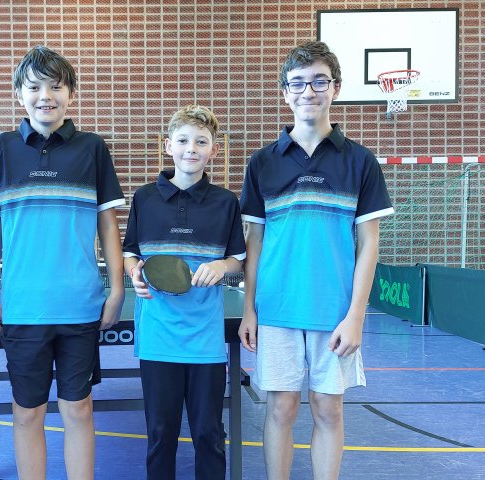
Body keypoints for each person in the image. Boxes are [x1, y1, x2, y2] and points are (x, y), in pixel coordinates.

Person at [238, 41, 394, 480]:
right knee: (280, 409)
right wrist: (249, 309)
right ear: (285, 92)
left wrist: (356, 316)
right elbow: (254, 243)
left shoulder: (360, 161)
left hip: (334, 311)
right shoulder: (262, 163)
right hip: (277, 308)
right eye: (298, 83)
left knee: (329, 409)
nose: (308, 91)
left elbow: (369, 245)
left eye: (319, 82)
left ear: (335, 88)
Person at [0, 45, 125, 480]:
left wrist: (116, 289)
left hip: (80, 305)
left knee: (78, 408)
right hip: (24, 308)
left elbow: (108, 225)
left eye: (56, 87)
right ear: (19, 94)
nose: (46, 96)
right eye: (35, 87)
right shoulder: (2, 149)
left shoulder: (92, 148)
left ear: (70, 94)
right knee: (27, 413)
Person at [123, 105, 246, 480]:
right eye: (182, 140)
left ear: (214, 151)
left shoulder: (226, 202)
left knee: (209, 435)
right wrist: (135, 273)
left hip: (205, 340)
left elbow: (237, 260)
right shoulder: (144, 198)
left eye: (201, 142)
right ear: (168, 146)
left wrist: (221, 267)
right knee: (161, 436)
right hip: (158, 337)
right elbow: (130, 253)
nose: (191, 148)